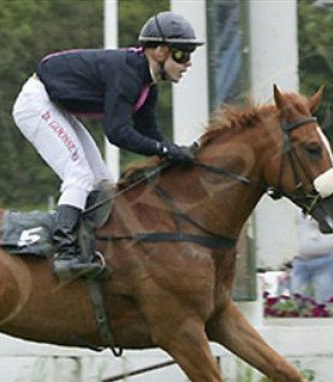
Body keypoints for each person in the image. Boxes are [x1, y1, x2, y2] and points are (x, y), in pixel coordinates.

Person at [12, 11, 204, 279]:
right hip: (37, 103)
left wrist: (178, 153)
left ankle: (90, 245)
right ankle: (66, 253)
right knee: (79, 175)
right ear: (159, 51)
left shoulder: (147, 85)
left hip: (57, 106)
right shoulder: (128, 75)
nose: (188, 64)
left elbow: (151, 135)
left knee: (102, 181)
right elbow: (117, 133)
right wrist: (166, 151)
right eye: (182, 54)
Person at [290, 212, 333, 303]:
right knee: (297, 302)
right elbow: (293, 234)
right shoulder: (299, 209)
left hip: (328, 262)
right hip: (301, 262)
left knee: (325, 303)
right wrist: (287, 267)